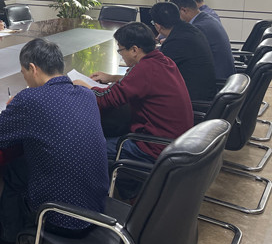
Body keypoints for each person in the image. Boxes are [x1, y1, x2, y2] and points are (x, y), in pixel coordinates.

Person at [0, 38, 109, 244]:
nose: (24, 78)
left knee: (13, 171)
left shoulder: (30, 99)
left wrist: (15, 107)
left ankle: (11, 241)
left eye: (23, 72)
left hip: (62, 217)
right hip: (98, 209)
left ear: (33, 69)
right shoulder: (87, 95)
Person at [73, 22, 193, 197]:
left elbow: (106, 99)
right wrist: (112, 78)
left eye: (121, 50)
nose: (120, 54)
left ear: (135, 50)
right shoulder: (162, 60)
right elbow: (140, 82)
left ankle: (96, 198)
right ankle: (127, 191)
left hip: (152, 148)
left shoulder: (145, 69)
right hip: (174, 143)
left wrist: (85, 86)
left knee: (86, 146)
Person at [150, 1, 217, 102]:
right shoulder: (190, 30)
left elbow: (155, 73)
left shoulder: (176, 41)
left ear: (157, 26)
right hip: (201, 93)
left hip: (192, 101)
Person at [170, 0, 236, 80]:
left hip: (215, 79)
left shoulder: (198, 28)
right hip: (223, 75)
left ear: (183, 10)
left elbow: (178, 53)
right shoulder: (207, 19)